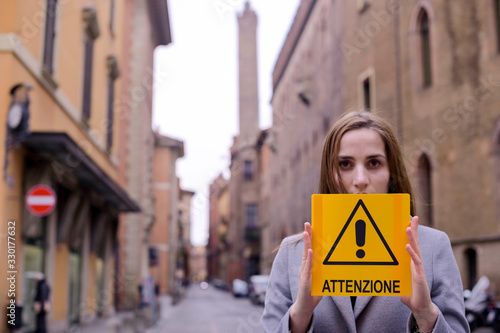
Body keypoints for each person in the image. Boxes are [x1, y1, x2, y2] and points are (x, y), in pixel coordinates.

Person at [261, 111, 470, 333]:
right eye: (345, 164)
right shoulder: (292, 254)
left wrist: (426, 314)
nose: (360, 180)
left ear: (391, 172)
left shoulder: (433, 246)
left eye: (373, 163)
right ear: (329, 174)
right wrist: (299, 316)